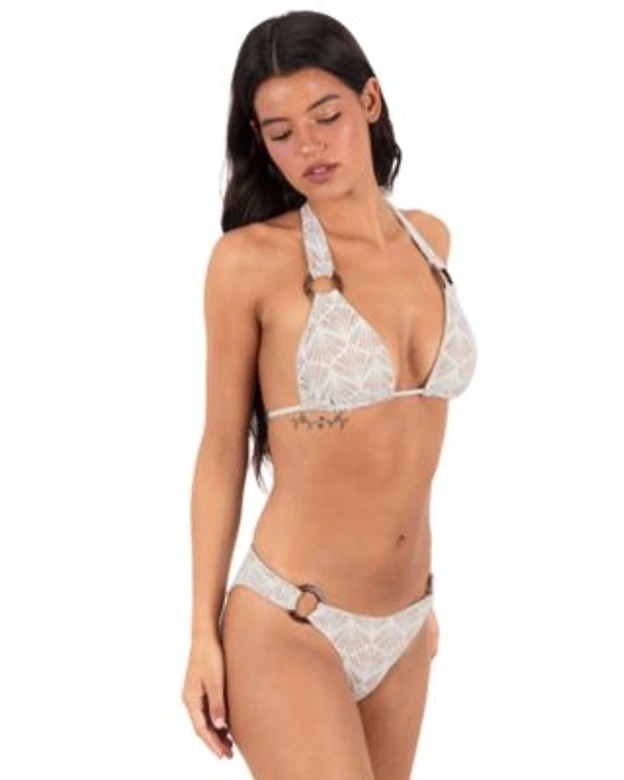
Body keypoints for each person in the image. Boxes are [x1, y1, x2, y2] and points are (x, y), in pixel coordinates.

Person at [182, 10, 478, 778]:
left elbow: (409, 448)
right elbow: (221, 449)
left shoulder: (431, 240)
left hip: (407, 627)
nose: (309, 146)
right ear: (259, 141)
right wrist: (201, 635)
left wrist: (416, 607)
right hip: (292, 621)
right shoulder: (248, 262)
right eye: (281, 133)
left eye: (326, 116)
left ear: (369, 101)